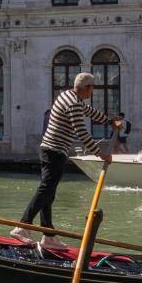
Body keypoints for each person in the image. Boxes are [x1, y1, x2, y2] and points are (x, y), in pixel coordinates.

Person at [18, 71, 121, 241]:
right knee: (46, 190)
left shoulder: (68, 96)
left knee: (48, 193)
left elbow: (89, 111)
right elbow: (82, 132)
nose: (92, 92)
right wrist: (100, 154)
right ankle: (23, 226)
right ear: (87, 88)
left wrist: (109, 122)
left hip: (51, 150)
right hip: (54, 151)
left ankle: (48, 236)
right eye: (92, 88)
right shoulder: (73, 104)